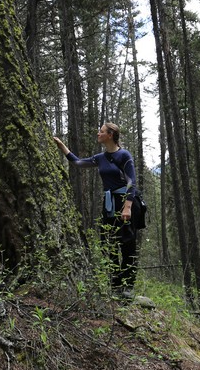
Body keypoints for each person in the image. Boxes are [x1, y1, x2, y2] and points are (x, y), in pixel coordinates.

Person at [53, 122, 143, 295]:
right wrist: (61, 145)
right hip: (109, 203)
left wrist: (127, 207)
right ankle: (115, 285)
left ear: (110, 135)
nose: (98, 133)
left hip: (126, 202)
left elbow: (131, 181)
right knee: (108, 244)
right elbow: (78, 162)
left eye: (101, 131)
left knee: (127, 243)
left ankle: (128, 286)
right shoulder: (100, 157)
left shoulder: (124, 155)